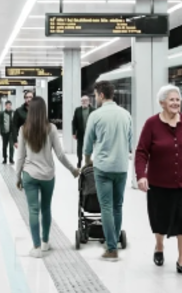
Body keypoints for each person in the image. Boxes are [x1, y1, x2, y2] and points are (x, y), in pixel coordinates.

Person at [135, 84, 182, 278]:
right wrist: (141, 175)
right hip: (159, 184)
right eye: (171, 99)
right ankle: (159, 245)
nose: (176, 103)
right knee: (160, 221)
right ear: (162, 103)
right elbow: (141, 152)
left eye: (178, 99)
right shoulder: (152, 124)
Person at [15, 96, 80, 258]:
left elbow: (20, 156)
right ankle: (45, 242)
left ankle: (36, 247)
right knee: (45, 208)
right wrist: (72, 170)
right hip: (47, 176)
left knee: (33, 210)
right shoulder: (51, 128)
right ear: (44, 110)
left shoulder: (24, 129)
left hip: (29, 174)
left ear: (30, 111)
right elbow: (60, 154)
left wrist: (17, 176)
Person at [83, 81, 133, 260]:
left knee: (106, 206)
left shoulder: (95, 115)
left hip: (103, 167)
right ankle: (114, 240)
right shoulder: (126, 114)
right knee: (117, 206)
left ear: (101, 95)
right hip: (121, 167)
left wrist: (87, 160)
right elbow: (130, 141)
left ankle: (111, 248)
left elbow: (88, 142)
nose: (95, 98)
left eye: (96, 95)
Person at [72, 94, 95, 168]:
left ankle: (87, 161)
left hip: (90, 133)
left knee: (89, 147)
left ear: (88, 101)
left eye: (85, 100)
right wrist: (73, 132)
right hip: (80, 133)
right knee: (79, 148)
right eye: (82, 101)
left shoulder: (93, 110)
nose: (84, 102)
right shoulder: (77, 110)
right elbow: (74, 122)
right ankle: (79, 160)